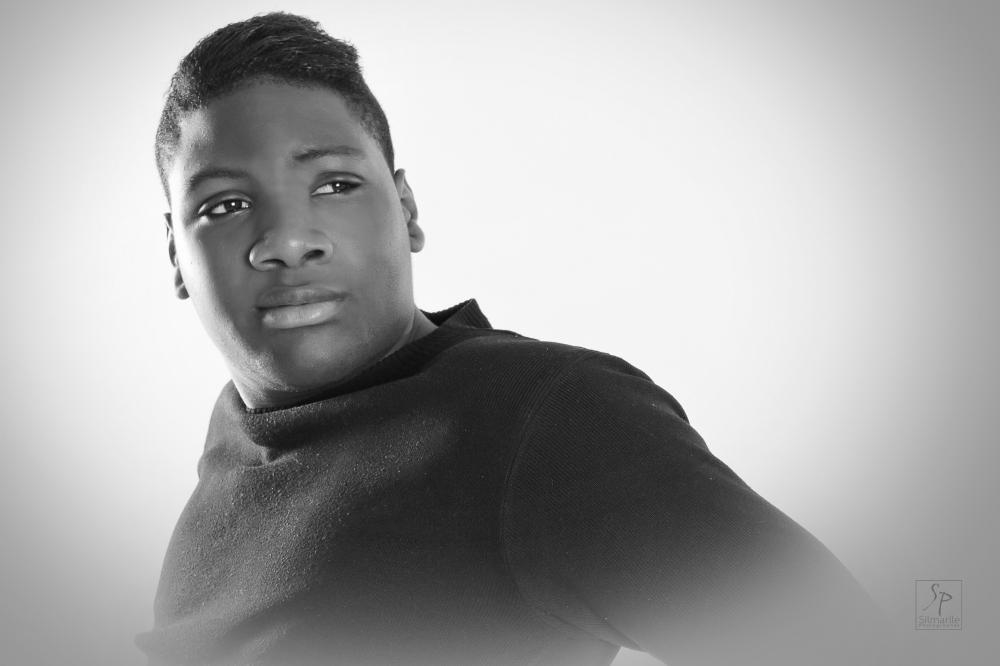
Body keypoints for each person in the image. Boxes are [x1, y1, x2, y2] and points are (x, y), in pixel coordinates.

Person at [137, 11, 896, 666]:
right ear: (176, 256)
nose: (287, 240)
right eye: (226, 204)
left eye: (335, 184)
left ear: (406, 210)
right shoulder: (232, 448)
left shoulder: (546, 420)